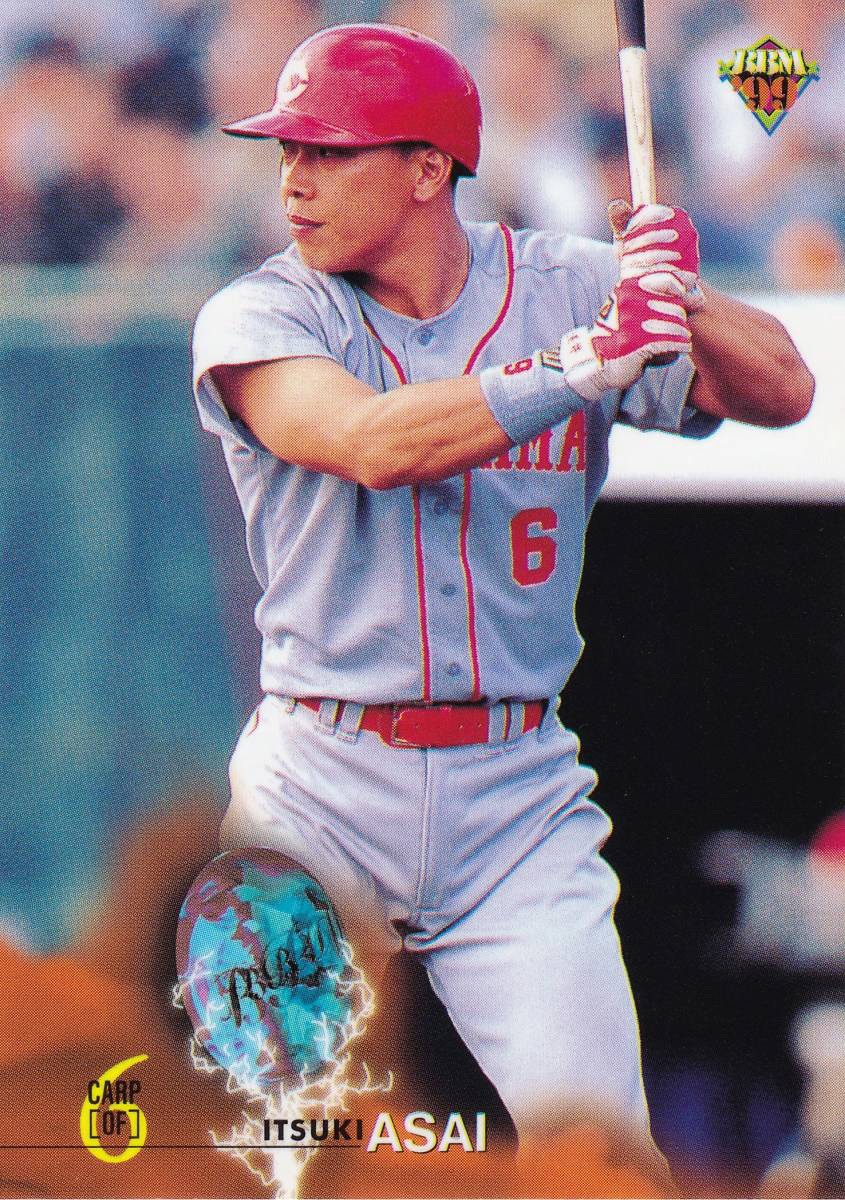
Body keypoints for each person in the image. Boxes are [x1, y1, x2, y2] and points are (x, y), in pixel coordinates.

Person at [191, 21, 813, 1158]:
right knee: (269, 1154)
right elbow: (372, 443)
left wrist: (683, 296)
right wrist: (577, 366)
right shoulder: (262, 310)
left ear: (428, 168)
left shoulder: (565, 282)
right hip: (319, 782)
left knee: (606, 1160)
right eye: (288, 151)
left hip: (513, 794)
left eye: (329, 151)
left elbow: (784, 392)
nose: (293, 179)